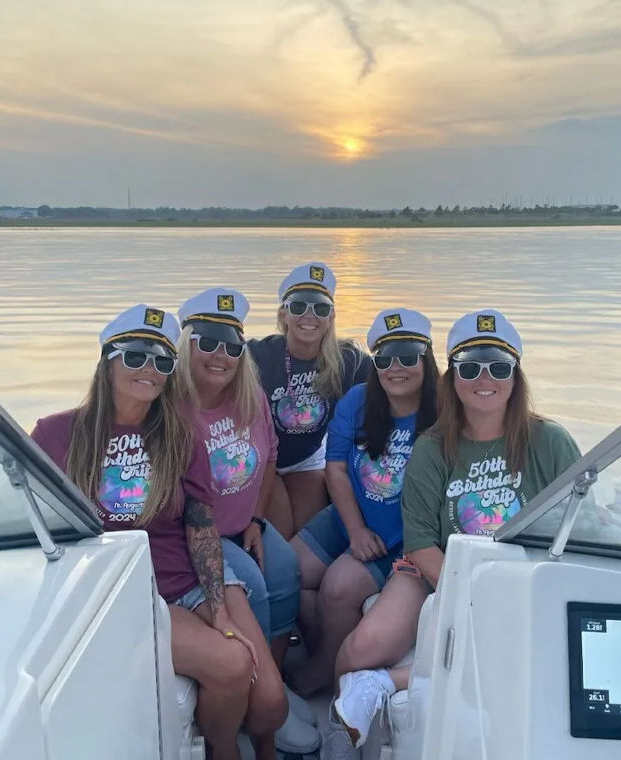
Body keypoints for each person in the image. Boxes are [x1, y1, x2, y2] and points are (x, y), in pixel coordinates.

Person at [31, 304, 287, 760]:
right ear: (107, 361)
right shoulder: (56, 435)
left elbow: (201, 525)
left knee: (271, 703)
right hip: (119, 590)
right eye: (134, 356)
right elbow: (34, 526)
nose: (149, 370)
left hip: (188, 576)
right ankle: (222, 749)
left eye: (162, 361)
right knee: (231, 664)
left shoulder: (180, 436)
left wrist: (217, 607)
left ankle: (257, 741)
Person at [324, 308, 582, 757]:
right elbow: (421, 541)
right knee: (357, 650)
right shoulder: (432, 447)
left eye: (498, 366)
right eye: (470, 366)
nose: (485, 378)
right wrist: (470, 595)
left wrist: (505, 597)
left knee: (513, 650)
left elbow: (578, 527)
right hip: (433, 570)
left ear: (515, 376)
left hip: (522, 579)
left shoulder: (551, 443)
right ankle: (341, 739)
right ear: (452, 375)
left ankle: (386, 682)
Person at [177, 288, 319, 756]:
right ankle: (259, 714)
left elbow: (269, 459)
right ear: (185, 344)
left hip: (244, 523)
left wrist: (257, 518)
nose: (222, 355)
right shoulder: (173, 409)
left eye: (234, 345)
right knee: (255, 585)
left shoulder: (251, 396)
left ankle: (275, 687)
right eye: (209, 341)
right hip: (199, 536)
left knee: (284, 570)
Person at [288, 308, 439, 699]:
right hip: (350, 513)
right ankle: (324, 645)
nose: (396, 368)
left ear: (427, 358)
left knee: (338, 587)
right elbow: (335, 468)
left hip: (402, 538)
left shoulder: (444, 415)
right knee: (286, 571)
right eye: (385, 359)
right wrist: (354, 528)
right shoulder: (358, 400)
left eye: (408, 356)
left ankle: (325, 668)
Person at [248, 262, 372, 539]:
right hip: (265, 459)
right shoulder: (258, 354)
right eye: (299, 306)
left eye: (320, 308)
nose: (309, 315)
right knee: (281, 533)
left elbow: (396, 377)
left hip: (306, 457)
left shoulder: (348, 360)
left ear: (331, 317)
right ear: (284, 314)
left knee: (307, 536)